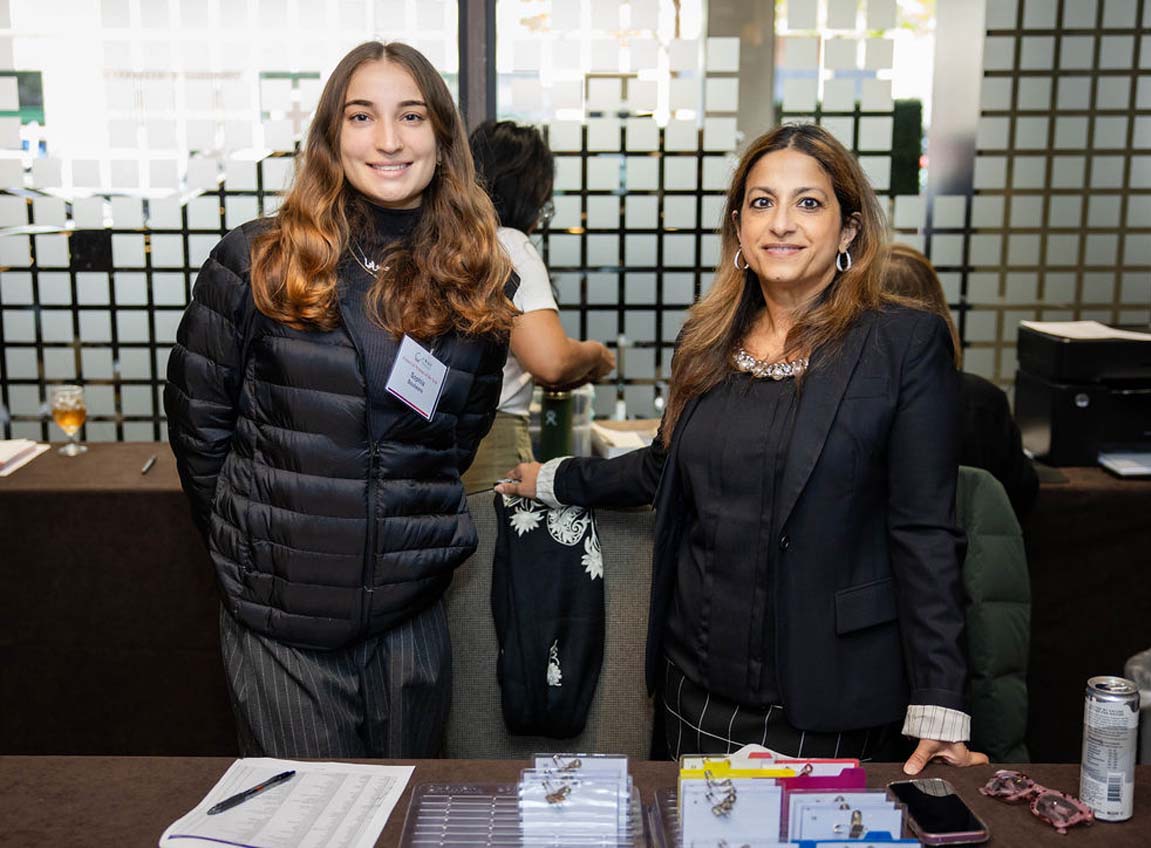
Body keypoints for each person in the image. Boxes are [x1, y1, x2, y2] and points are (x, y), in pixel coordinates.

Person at [497, 123, 988, 774]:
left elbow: (925, 531)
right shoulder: (704, 342)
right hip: (694, 687)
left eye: (808, 203)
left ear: (847, 230)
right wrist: (553, 479)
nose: (781, 222)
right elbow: (660, 469)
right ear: (739, 230)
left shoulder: (902, 347)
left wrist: (940, 704)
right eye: (761, 202)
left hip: (831, 696)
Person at [165, 41, 517, 758]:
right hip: (282, 617)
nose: (388, 140)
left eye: (411, 116)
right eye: (362, 116)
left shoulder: (478, 280)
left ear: (443, 137)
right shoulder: (256, 260)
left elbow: (456, 438)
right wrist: (256, 548)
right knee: (306, 824)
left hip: (409, 617)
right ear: (331, 136)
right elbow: (198, 430)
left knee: (406, 815)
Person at [461, 120, 614, 492]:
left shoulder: (450, 245)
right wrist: (597, 356)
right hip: (492, 441)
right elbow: (551, 362)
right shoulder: (508, 244)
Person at [884, 243, 1039, 518]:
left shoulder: (838, 400)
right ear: (937, 308)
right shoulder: (982, 401)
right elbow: (1018, 499)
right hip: (966, 555)